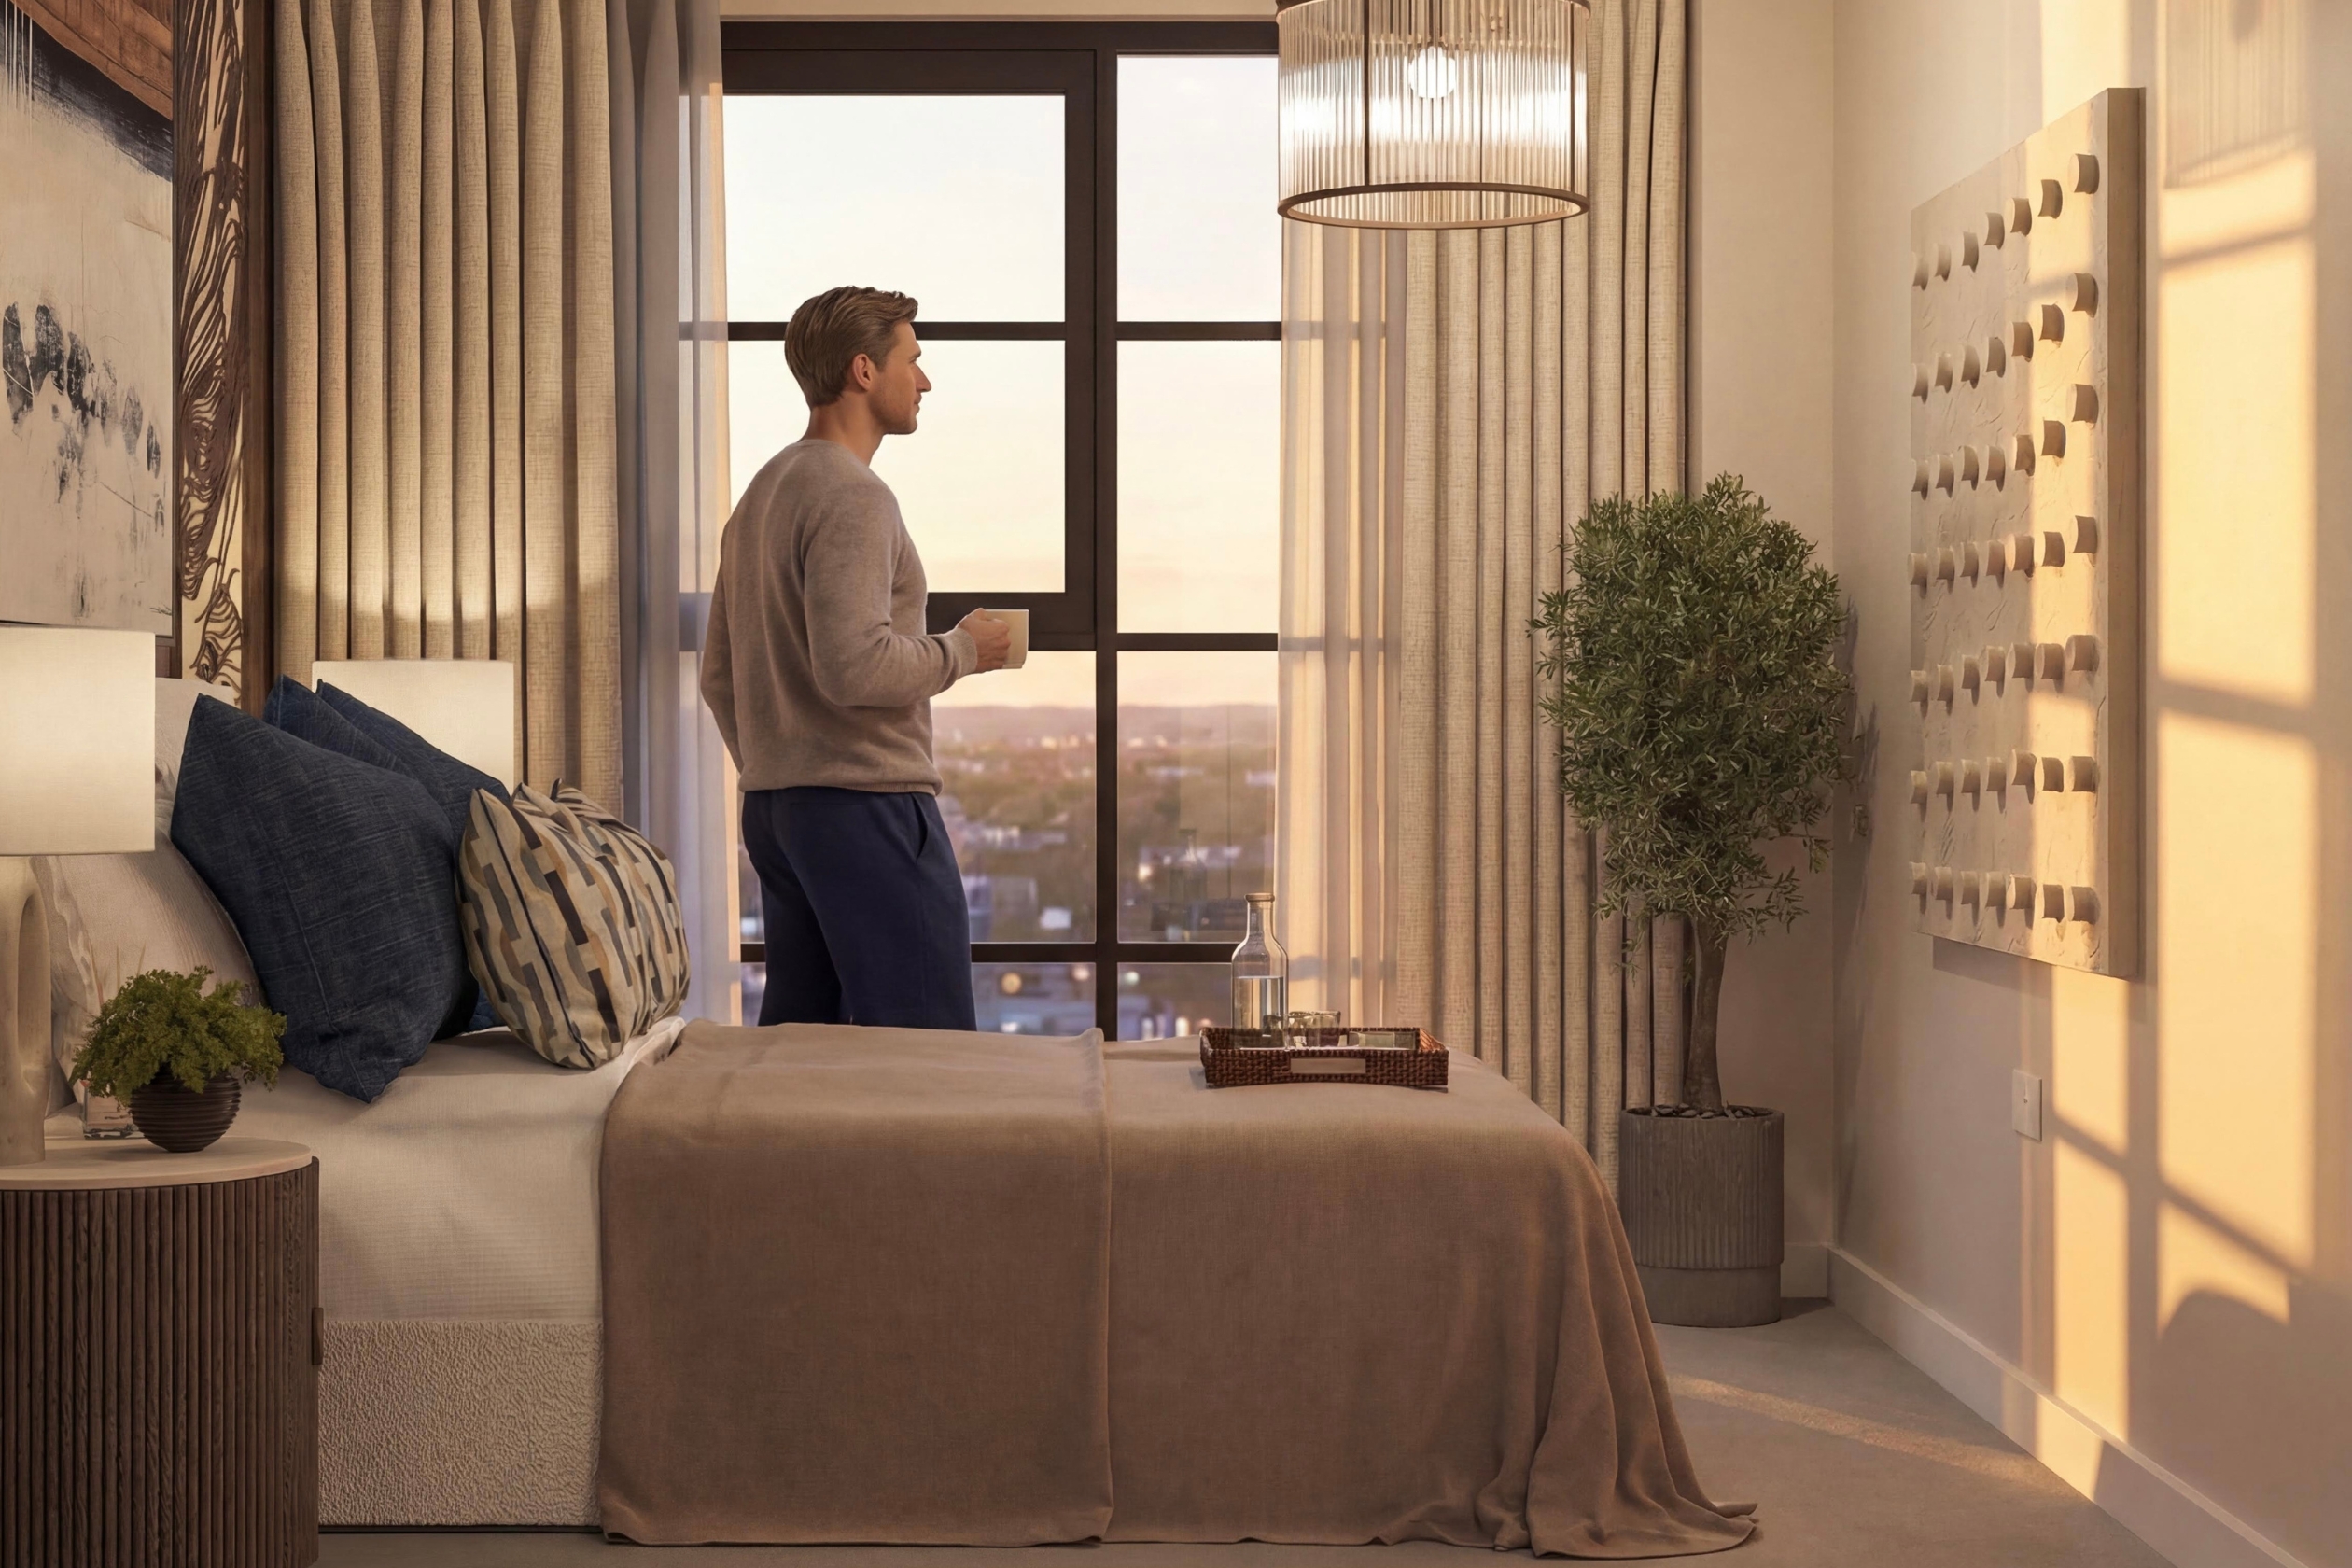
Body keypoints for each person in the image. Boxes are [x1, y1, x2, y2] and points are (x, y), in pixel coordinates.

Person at [701, 286, 1012, 1029]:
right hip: (866, 809)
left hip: (779, 813)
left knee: (807, 1055)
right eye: (914, 360)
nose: (925, 381)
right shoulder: (854, 495)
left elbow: (718, 676)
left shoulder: (762, 495)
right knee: (926, 1052)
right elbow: (857, 667)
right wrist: (967, 650)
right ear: (864, 371)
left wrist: (781, 763)